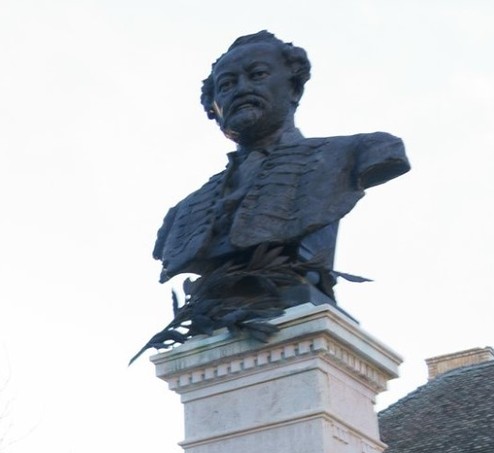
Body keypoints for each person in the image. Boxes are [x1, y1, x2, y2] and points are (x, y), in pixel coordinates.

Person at [153, 31, 408, 309]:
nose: (241, 89)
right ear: (214, 108)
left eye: (258, 75)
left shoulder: (360, 152)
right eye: (226, 85)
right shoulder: (182, 213)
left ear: (294, 88)